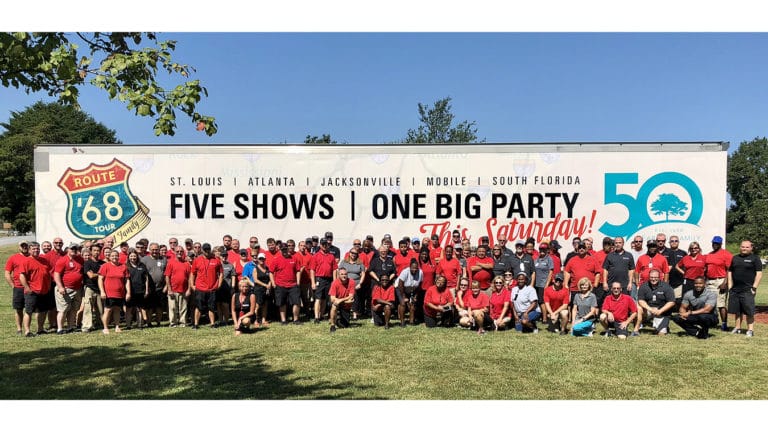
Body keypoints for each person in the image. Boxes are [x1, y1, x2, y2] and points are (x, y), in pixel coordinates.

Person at [727, 240, 762, 337]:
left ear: (751, 248)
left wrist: (754, 287)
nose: (744, 249)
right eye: (742, 247)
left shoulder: (755, 258)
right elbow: (730, 272)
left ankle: (750, 330)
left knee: (749, 310)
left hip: (748, 289)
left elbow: (759, 274)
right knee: (737, 310)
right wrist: (730, 285)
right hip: (735, 289)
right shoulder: (735, 258)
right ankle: (737, 328)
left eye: (747, 247)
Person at [18, 242, 52, 337]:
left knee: (42, 311)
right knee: (29, 311)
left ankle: (40, 329)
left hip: (44, 290)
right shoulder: (26, 261)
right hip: (32, 291)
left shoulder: (44, 260)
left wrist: (48, 285)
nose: (36, 250)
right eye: (33, 249)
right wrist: (27, 288)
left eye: (37, 248)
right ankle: (27, 331)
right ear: (29, 250)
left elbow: (48, 274)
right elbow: (22, 276)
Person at [190, 243, 223, 329]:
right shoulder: (197, 260)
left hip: (212, 288)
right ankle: (196, 324)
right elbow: (192, 273)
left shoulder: (216, 260)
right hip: (200, 288)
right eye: (205, 250)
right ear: (202, 250)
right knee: (198, 306)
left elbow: (221, 273)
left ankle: (212, 324)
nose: (207, 251)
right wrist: (192, 285)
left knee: (211, 307)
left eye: (208, 249)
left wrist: (219, 284)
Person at [705, 235, 733, 331]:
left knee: (721, 304)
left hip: (720, 280)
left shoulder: (726, 254)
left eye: (717, 243)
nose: (715, 245)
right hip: (710, 281)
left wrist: (725, 283)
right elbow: (706, 269)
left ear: (721, 244)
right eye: (713, 243)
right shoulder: (709, 254)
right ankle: (712, 322)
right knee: (710, 304)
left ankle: (724, 324)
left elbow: (729, 269)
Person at [637, 269, 676, 336]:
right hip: (648, 310)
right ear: (649, 277)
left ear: (659, 277)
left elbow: (672, 302)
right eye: (651, 277)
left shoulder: (666, 287)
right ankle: (637, 327)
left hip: (661, 311)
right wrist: (650, 309)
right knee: (637, 307)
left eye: (655, 277)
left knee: (661, 334)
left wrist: (660, 311)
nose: (653, 279)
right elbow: (640, 300)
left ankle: (662, 327)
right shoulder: (643, 286)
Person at [98, 250, 129, 334]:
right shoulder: (105, 266)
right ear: (109, 257)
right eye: (112, 256)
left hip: (120, 293)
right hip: (109, 293)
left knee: (117, 310)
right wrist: (102, 291)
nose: (114, 257)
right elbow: (100, 279)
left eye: (116, 255)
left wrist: (128, 292)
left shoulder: (123, 267)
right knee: (108, 310)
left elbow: (127, 280)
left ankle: (117, 326)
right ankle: (105, 327)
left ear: (118, 257)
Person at [271, 244, 302, 325]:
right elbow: (271, 272)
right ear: (280, 250)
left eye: (285, 249)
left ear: (288, 249)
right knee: (282, 303)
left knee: (297, 302)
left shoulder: (294, 258)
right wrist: (273, 283)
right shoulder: (276, 259)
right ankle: (283, 320)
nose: (284, 251)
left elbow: (298, 270)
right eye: (283, 249)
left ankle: (295, 319)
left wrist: (298, 282)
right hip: (280, 285)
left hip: (293, 284)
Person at [310, 238, 338, 323]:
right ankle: (316, 317)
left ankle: (321, 315)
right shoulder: (316, 256)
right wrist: (313, 282)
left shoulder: (331, 256)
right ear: (320, 245)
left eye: (326, 244)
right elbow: (312, 270)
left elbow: (334, 269)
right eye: (323, 244)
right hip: (319, 279)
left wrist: (334, 281)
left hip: (329, 280)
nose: (325, 246)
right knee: (318, 298)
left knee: (325, 299)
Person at [5, 241, 30, 334]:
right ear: (19, 247)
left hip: (31, 287)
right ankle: (19, 329)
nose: (24, 247)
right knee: (19, 309)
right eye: (22, 246)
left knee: (30, 309)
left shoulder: (32, 257)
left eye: (26, 245)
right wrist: (13, 285)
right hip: (18, 287)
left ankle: (28, 329)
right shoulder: (13, 258)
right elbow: (7, 273)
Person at [242, 252, 274, 327]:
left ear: (265, 259)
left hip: (266, 289)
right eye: (260, 259)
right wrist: (265, 285)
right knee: (258, 305)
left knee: (265, 304)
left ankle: (263, 320)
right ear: (258, 260)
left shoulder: (267, 268)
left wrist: (269, 284)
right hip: (258, 289)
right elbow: (255, 280)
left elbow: (270, 277)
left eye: (263, 258)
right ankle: (256, 320)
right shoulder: (255, 269)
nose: (261, 260)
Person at [165, 246, 191, 327]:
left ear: (183, 252)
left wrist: (189, 289)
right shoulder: (170, 263)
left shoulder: (186, 264)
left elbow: (190, 277)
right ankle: (173, 323)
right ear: (175, 252)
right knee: (172, 308)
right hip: (173, 289)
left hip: (184, 290)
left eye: (181, 251)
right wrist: (169, 289)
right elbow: (167, 276)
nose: (179, 253)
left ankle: (182, 323)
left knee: (183, 308)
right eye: (177, 251)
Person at [141, 242, 167, 327]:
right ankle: (149, 322)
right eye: (153, 250)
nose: (155, 251)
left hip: (161, 288)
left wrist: (166, 286)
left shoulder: (163, 259)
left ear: (159, 250)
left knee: (159, 307)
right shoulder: (144, 260)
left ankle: (158, 322)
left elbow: (167, 274)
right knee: (149, 307)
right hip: (149, 288)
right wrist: (145, 288)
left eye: (156, 249)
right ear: (149, 250)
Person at [82, 244, 105, 332]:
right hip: (90, 288)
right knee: (88, 308)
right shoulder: (87, 263)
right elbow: (90, 276)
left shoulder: (103, 263)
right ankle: (86, 327)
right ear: (91, 251)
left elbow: (105, 275)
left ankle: (102, 324)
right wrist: (99, 274)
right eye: (94, 250)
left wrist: (97, 274)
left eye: (98, 250)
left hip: (100, 289)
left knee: (101, 309)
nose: (96, 252)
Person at [339, 248, 366, 321]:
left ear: (357, 255)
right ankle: (343, 312)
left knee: (355, 297)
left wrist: (360, 283)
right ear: (349, 253)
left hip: (355, 283)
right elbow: (339, 271)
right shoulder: (344, 262)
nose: (353, 254)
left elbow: (363, 274)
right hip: (345, 282)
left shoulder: (360, 263)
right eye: (352, 253)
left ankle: (354, 313)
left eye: (355, 253)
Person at [125, 250, 149, 329]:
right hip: (130, 291)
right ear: (128, 257)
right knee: (129, 309)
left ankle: (140, 324)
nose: (133, 258)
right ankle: (128, 325)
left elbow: (146, 278)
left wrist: (146, 290)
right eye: (131, 256)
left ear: (137, 257)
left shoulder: (142, 265)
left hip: (140, 291)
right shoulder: (126, 266)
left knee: (139, 308)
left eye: (134, 256)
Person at [396, 258, 422, 326]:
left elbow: (419, 285)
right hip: (401, 288)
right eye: (413, 268)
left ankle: (411, 321)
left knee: (412, 303)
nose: (414, 270)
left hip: (412, 288)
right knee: (403, 303)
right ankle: (402, 322)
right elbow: (400, 284)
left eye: (416, 268)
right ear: (410, 267)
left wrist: (415, 296)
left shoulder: (420, 272)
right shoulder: (405, 272)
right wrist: (404, 297)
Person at [329, 268, 356, 333]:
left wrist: (341, 300)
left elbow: (351, 296)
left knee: (345, 325)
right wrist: (341, 301)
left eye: (345, 274)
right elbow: (332, 298)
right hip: (337, 302)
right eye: (342, 274)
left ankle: (337, 320)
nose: (344, 276)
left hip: (345, 303)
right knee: (334, 306)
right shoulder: (334, 283)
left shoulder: (352, 282)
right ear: (338, 275)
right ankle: (332, 325)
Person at [216, 246, 236, 326]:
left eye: (225, 255)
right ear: (220, 256)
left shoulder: (230, 265)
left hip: (226, 288)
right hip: (217, 288)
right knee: (218, 304)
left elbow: (233, 276)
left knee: (225, 305)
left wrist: (233, 286)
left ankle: (226, 321)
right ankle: (220, 320)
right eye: (222, 256)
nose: (224, 257)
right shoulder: (217, 264)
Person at [532, 242, 554, 311]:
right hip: (536, 284)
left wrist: (547, 284)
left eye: (544, 249)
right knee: (536, 300)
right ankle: (539, 315)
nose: (542, 251)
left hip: (543, 284)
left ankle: (544, 318)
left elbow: (551, 272)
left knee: (542, 301)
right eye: (541, 249)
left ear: (547, 250)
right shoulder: (536, 260)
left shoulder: (549, 259)